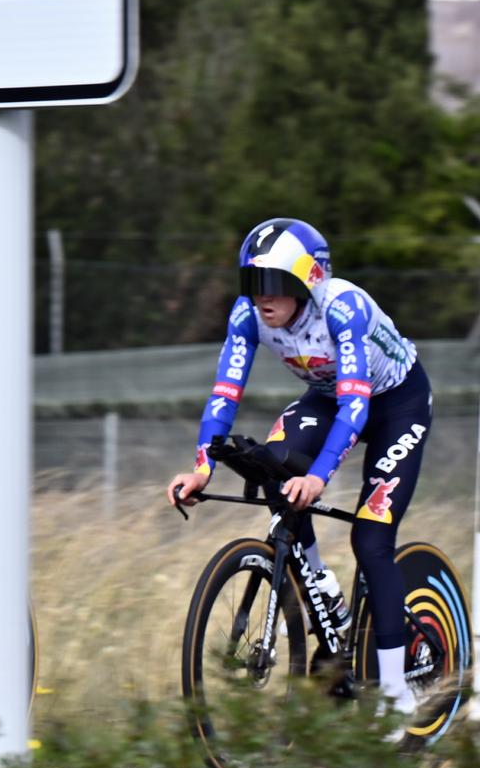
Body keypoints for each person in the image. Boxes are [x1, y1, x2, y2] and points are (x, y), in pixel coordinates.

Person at [166, 218, 432, 717]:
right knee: (268, 464)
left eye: (275, 284)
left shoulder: (341, 309)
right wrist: (202, 468)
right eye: (252, 282)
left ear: (307, 283)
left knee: (371, 538)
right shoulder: (247, 315)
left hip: (396, 404)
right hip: (331, 398)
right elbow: (225, 392)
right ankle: (325, 594)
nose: (261, 297)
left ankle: (395, 693)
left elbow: (358, 408)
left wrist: (318, 477)